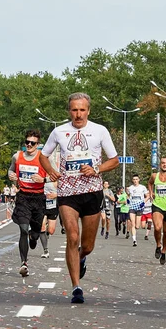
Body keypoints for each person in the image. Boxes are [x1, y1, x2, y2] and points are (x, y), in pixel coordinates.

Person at [40, 92, 119, 304]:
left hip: (92, 192)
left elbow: (114, 160)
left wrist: (96, 169)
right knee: (72, 237)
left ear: (88, 111)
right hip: (67, 193)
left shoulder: (99, 131)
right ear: (69, 111)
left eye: (82, 110)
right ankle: (76, 287)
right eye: (74, 110)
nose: (78, 114)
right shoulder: (59, 131)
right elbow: (43, 155)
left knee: (87, 245)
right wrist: (51, 171)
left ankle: (82, 257)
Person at [8, 129, 48, 277]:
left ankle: (34, 237)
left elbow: (55, 175)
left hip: (38, 198)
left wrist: (43, 180)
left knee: (36, 232)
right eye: (27, 142)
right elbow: (11, 170)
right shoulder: (17, 156)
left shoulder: (43, 158)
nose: (29, 145)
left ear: (38, 144)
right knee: (23, 229)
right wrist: (11, 175)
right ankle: (24, 263)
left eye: (33, 143)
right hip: (23, 197)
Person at [127, 174, 149, 247]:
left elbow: (148, 196)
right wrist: (128, 199)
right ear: (132, 180)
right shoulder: (130, 188)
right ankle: (134, 240)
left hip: (139, 207)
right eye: (134, 179)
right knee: (133, 224)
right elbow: (127, 195)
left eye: (136, 179)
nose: (135, 181)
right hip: (132, 206)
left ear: (139, 180)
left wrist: (143, 202)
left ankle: (136, 228)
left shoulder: (142, 187)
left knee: (137, 226)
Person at [42, 176, 59, 258]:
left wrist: (56, 195)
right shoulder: (41, 176)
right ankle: (45, 250)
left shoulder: (55, 178)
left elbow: (64, 191)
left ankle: (47, 232)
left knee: (51, 230)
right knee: (42, 227)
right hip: (42, 206)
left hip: (53, 206)